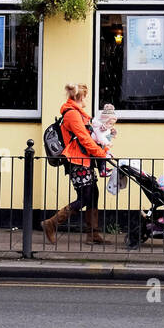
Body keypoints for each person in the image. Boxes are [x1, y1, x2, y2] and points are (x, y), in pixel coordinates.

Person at [42, 82, 110, 245]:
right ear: (80, 97)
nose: (86, 99)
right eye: (85, 96)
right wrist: (101, 154)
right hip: (76, 161)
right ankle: (51, 223)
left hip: (85, 160)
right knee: (85, 197)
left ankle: (93, 234)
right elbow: (84, 138)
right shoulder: (72, 114)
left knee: (93, 194)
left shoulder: (78, 113)